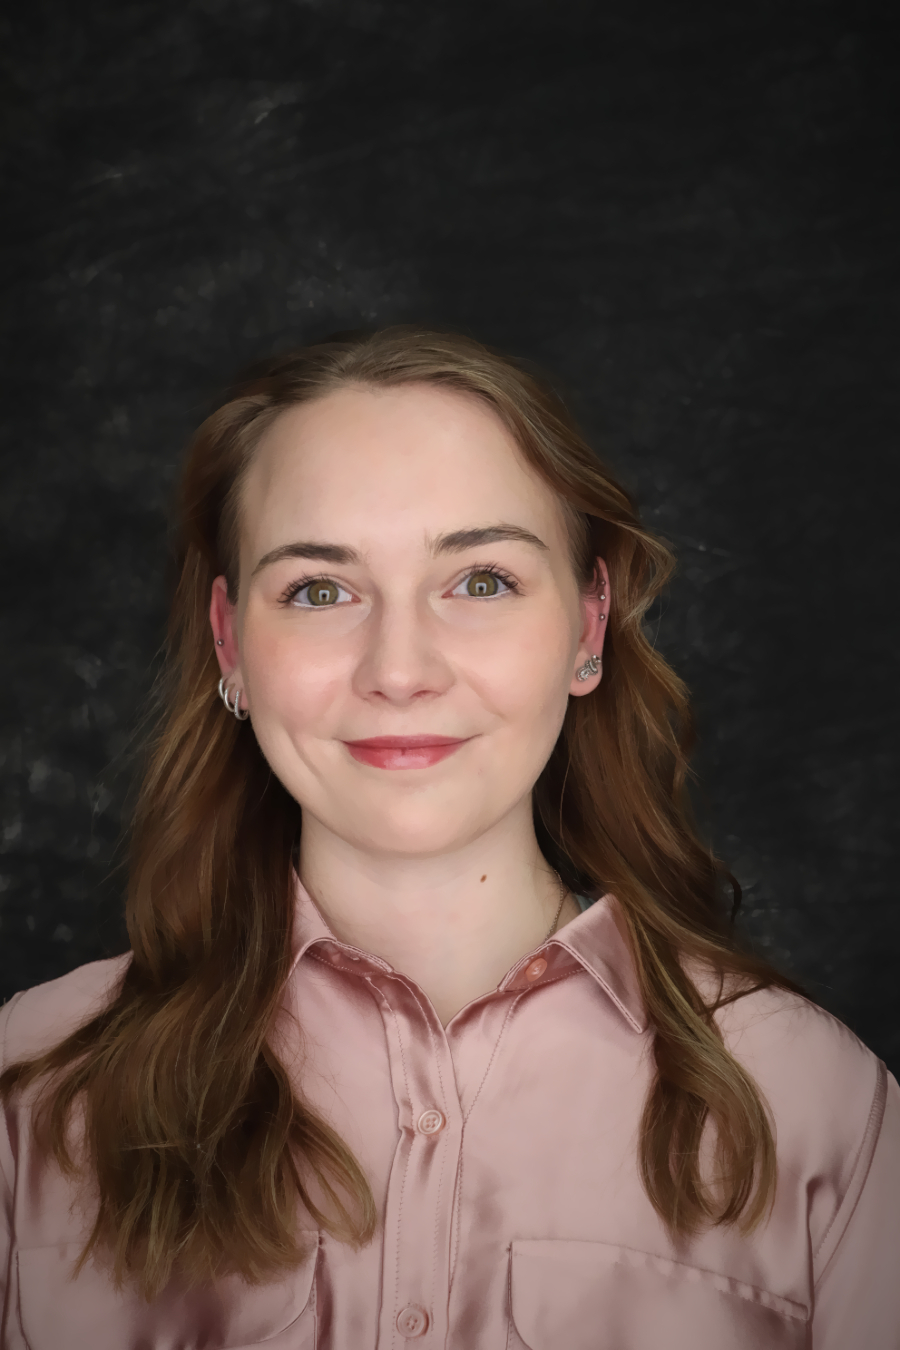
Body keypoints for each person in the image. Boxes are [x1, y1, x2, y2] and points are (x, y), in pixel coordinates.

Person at [0, 327, 897, 1349]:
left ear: (588, 629)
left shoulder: (816, 1102)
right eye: (319, 590)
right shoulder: (31, 1091)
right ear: (229, 644)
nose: (400, 668)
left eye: (480, 582)